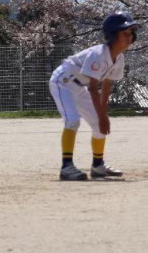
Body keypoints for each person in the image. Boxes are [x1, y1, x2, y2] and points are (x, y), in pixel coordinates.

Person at [48, 12, 139, 180]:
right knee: (73, 120)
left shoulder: (118, 58)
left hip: (79, 86)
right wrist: (103, 115)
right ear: (112, 35)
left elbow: (106, 84)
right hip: (63, 81)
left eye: (131, 33)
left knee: (98, 123)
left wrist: (103, 113)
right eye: (124, 33)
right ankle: (66, 167)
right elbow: (92, 88)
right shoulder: (98, 54)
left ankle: (98, 166)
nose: (130, 37)